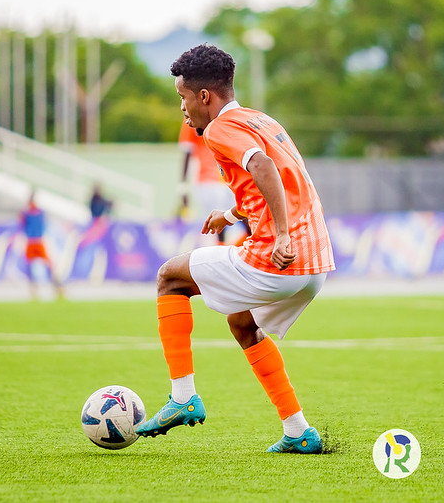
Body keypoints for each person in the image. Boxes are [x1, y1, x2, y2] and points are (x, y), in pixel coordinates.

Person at [135, 44, 335, 454]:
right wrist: (230, 215)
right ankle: (298, 431)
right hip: (314, 264)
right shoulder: (262, 120)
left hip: (278, 258)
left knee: (170, 278)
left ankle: (182, 397)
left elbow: (263, 168)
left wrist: (281, 236)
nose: (182, 108)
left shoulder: (219, 129)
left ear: (204, 96)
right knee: (242, 323)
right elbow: (284, 179)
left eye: (183, 97)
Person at [177, 121, 236, 244]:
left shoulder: (223, 116)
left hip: (228, 179)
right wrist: (183, 188)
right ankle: (220, 250)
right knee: (218, 224)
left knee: (243, 217)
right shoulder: (191, 118)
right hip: (208, 180)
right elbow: (187, 151)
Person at [20, 191, 64, 300]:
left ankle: (37, 289)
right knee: (45, 265)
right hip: (35, 241)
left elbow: (23, 225)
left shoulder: (28, 213)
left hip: (34, 242)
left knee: (37, 266)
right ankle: (55, 287)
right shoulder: (37, 212)